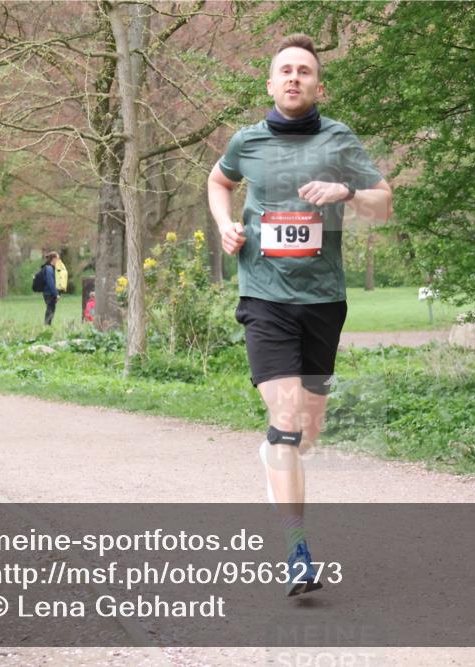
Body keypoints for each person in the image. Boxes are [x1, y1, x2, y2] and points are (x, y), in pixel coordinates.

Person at [207, 34, 392, 596]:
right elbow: (219, 181)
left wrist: (346, 192)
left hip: (322, 301)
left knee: (304, 431)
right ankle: (296, 551)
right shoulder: (248, 141)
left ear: (318, 85)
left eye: (304, 71)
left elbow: (383, 204)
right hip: (264, 296)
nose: (293, 77)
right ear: (270, 84)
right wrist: (225, 226)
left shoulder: (339, 140)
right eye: (284, 70)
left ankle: (276, 452)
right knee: (287, 419)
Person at [42, 251, 60, 325]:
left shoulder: (50, 268)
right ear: (54, 259)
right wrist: (56, 294)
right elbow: (50, 282)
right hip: (49, 293)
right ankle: (47, 325)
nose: (59, 260)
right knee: (50, 310)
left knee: (51, 309)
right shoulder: (49, 269)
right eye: (58, 258)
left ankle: (48, 325)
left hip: (48, 292)